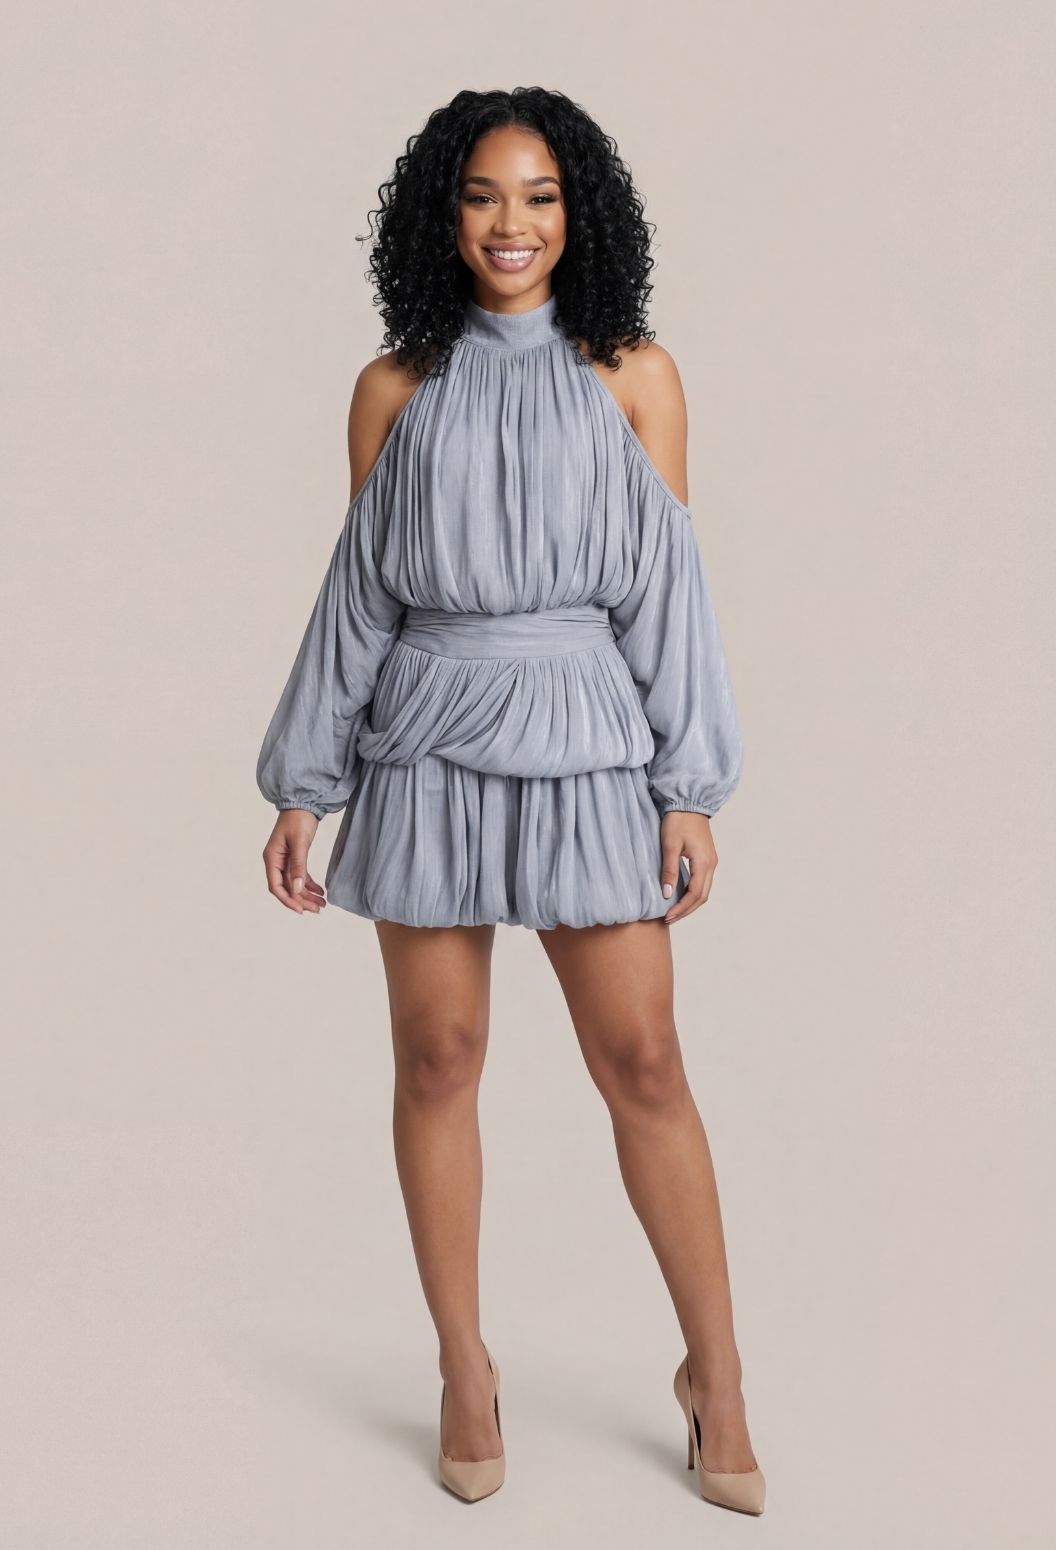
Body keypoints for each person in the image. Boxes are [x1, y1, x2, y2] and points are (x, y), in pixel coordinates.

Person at [256, 87, 764, 1514]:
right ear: (445, 216)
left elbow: (669, 594)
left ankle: (719, 1375)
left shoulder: (635, 377)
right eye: (483, 195)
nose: (512, 224)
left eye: (540, 196)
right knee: (439, 1058)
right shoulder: (393, 389)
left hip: (590, 737)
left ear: (578, 213)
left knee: (644, 1059)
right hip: (425, 739)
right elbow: (360, 601)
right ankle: (464, 1367)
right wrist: (304, 783)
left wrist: (689, 788)